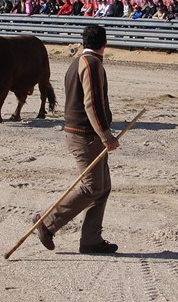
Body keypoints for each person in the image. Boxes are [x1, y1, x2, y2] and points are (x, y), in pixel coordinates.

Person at [33, 24, 120, 255]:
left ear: (84, 42)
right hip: (85, 136)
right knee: (93, 187)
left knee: (102, 187)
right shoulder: (91, 64)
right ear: (105, 44)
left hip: (80, 133)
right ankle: (48, 223)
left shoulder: (76, 62)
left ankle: (91, 240)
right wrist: (106, 135)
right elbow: (92, 104)